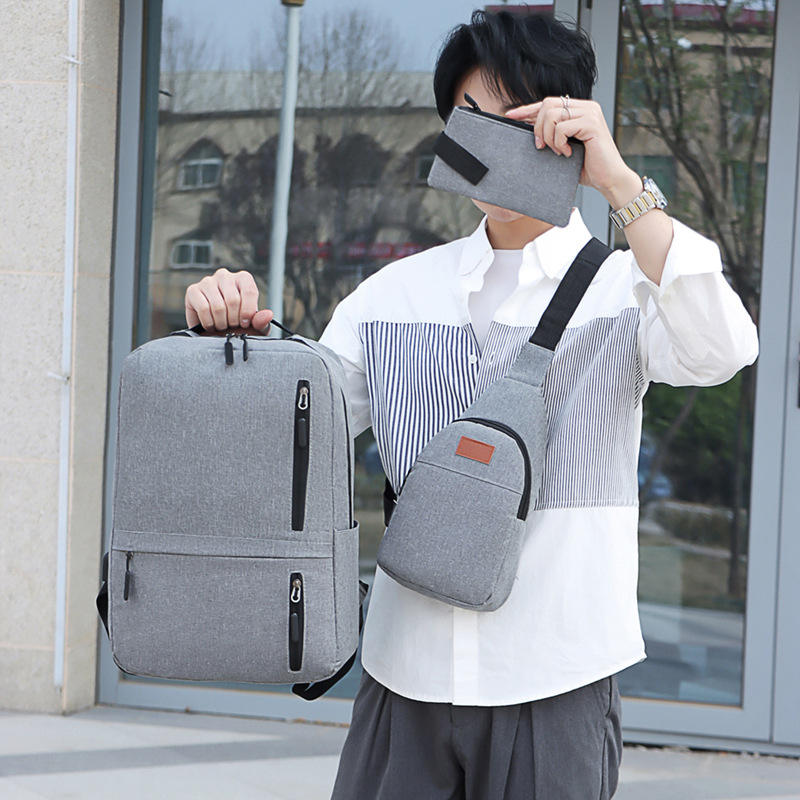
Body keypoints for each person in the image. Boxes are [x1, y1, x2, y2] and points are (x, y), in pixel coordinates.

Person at [184, 10, 759, 799]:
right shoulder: (392, 295)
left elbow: (722, 348)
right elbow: (282, 437)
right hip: (404, 673)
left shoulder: (626, 289)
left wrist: (621, 185)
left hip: (557, 676)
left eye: (518, 117)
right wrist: (224, 340)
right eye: (469, 117)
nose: (489, 140)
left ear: (571, 127)